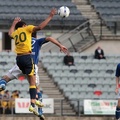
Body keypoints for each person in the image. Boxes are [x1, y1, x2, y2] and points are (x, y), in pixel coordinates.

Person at [0, 36, 68, 118]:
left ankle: (3, 84)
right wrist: (60, 45)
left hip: (20, 65)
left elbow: (11, 35)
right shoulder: (38, 41)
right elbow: (49, 38)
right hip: (32, 66)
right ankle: (40, 111)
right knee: (36, 88)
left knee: (5, 78)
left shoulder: (22, 39)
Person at [7, 8, 56, 116]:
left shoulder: (16, 33)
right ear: (25, 26)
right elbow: (41, 28)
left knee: (14, 78)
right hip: (29, 60)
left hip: (19, 60)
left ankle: (3, 83)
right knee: (34, 84)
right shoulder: (30, 32)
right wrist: (50, 16)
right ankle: (34, 104)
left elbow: (10, 34)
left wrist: (14, 23)